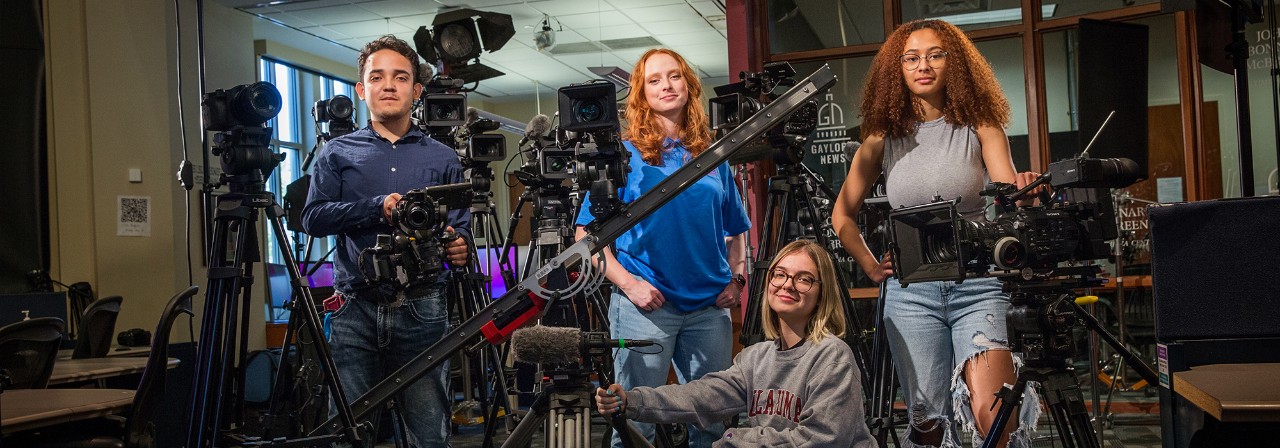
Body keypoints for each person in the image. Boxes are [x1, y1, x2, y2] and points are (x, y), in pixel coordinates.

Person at [831, 19, 1042, 448]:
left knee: (994, 418)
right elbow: (842, 216)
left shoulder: (979, 123)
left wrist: (1025, 192)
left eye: (935, 54)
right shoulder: (882, 135)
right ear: (898, 68)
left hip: (978, 286)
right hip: (912, 292)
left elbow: (1007, 193)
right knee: (928, 425)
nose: (922, 65)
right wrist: (872, 267)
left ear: (955, 63)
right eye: (911, 57)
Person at [574, 48, 751, 448]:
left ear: (689, 86)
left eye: (674, 77)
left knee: (712, 419)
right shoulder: (622, 156)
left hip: (709, 307)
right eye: (654, 80)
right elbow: (584, 235)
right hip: (645, 307)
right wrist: (627, 283)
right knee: (635, 420)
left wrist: (737, 278)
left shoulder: (712, 154)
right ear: (642, 94)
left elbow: (737, 227)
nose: (666, 86)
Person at [302, 35, 469, 447]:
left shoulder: (443, 157)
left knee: (428, 433)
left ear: (416, 90)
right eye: (377, 77)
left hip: (423, 308)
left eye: (400, 77)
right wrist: (377, 207)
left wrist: (458, 246)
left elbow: (460, 230)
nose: (388, 85)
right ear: (362, 89)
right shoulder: (336, 153)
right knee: (350, 434)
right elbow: (311, 218)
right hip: (354, 309)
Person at [595, 240, 876, 448]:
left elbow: (823, 440)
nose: (787, 284)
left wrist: (737, 439)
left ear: (822, 293)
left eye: (804, 279)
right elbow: (701, 397)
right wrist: (632, 400)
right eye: (780, 274)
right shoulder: (755, 358)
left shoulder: (832, 357)